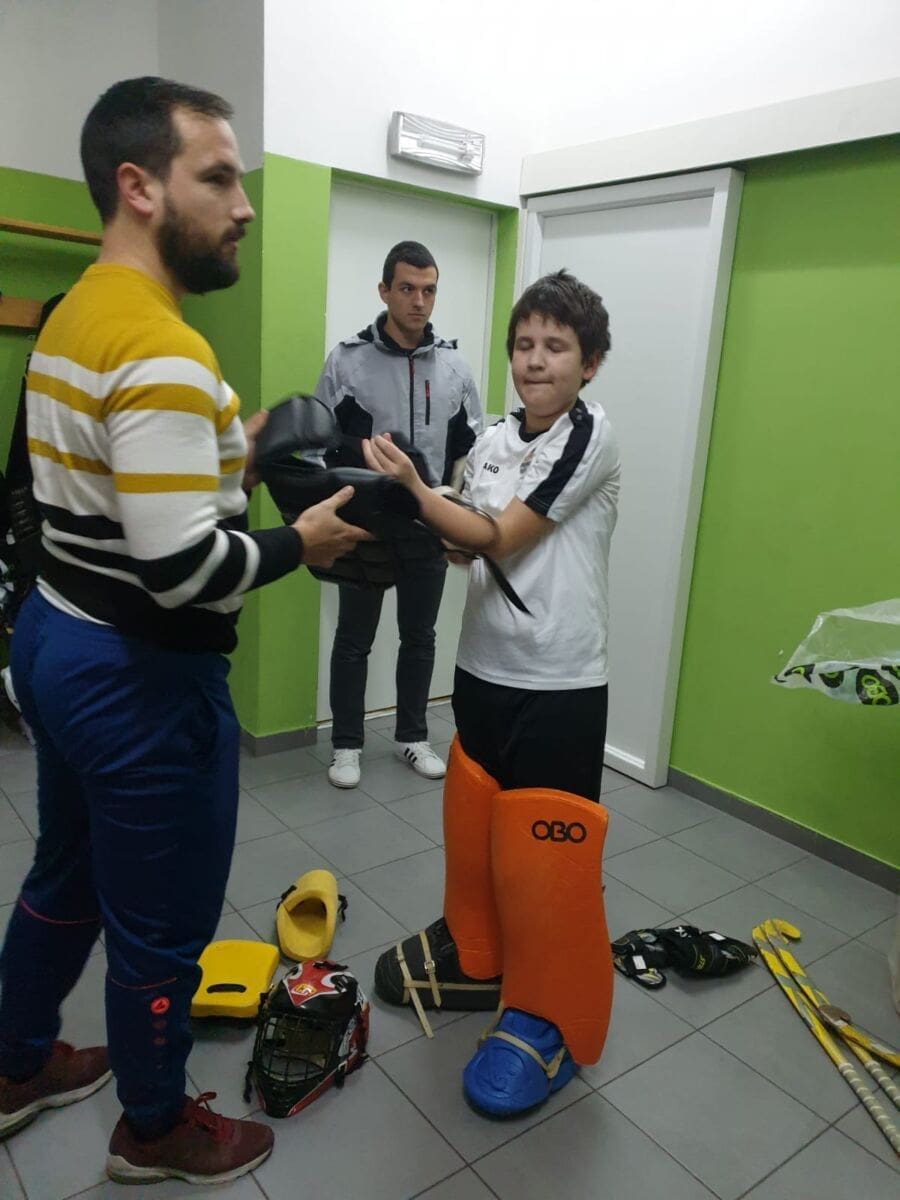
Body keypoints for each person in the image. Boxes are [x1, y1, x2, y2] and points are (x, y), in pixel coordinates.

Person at [0, 77, 369, 1184]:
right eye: (218, 178)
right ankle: (154, 1129)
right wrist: (302, 541)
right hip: (141, 680)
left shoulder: (79, 312)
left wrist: (232, 449)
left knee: (66, 873)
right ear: (140, 186)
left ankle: (16, 1064)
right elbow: (179, 570)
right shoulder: (163, 350)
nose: (244, 205)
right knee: (160, 928)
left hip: (55, 639)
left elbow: (108, 493)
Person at [365, 270, 619, 1117]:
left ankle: (547, 1015)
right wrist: (432, 515)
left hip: (559, 683)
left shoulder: (590, 436)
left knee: (546, 861)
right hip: (482, 670)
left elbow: (499, 535)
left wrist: (416, 493)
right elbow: (467, 545)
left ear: (590, 363)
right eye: (523, 344)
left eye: (556, 347)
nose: (535, 361)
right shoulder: (495, 439)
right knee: (475, 831)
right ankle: (480, 955)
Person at [315, 242, 483, 789]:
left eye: (429, 290)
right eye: (407, 288)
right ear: (384, 290)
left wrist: (454, 510)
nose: (419, 301)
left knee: (420, 636)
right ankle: (346, 745)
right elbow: (318, 445)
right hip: (365, 525)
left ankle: (413, 736)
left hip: (425, 524)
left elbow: (471, 449)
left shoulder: (454, 367)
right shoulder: (346, 361)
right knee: (353, 639)